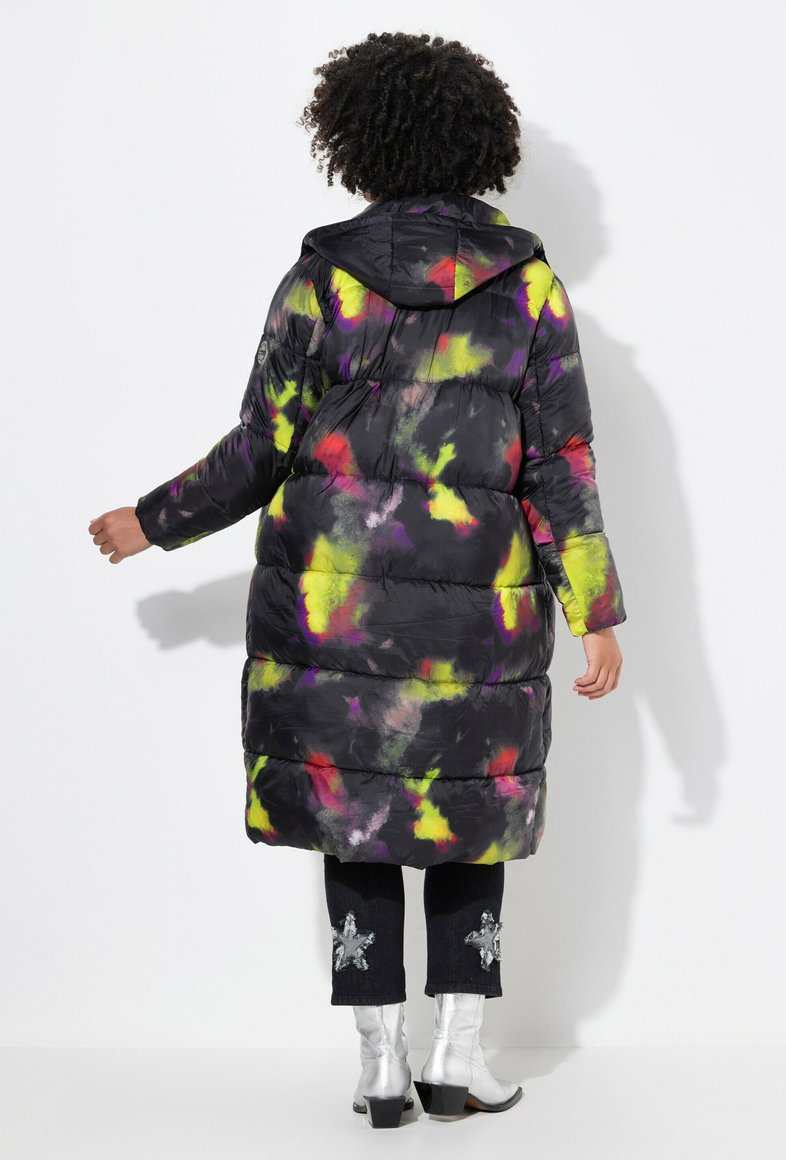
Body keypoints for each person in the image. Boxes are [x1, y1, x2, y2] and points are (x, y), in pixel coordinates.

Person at [88, 31, 626, 1129]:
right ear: (479, 141)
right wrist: (595, 610)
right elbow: (559, 465)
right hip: (478, 625)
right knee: (468, 819)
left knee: (357, 818)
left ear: (358, 142)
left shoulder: (319, 281)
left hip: (334, 613)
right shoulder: (528, 288)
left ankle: (380, 1066)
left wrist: (153, 520)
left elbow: (261, 445)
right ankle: (457, 1058)